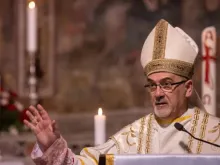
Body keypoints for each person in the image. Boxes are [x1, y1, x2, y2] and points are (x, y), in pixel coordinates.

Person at [24, 19, 220, 165]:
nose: (158, 93)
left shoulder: (214, 134)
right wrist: (53, 146)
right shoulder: (134, 135)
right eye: (152, 85)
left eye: (167, 84)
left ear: (187, 88)